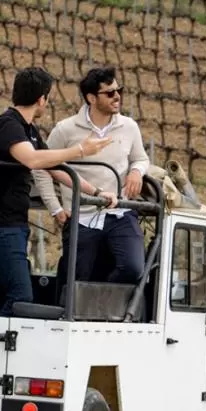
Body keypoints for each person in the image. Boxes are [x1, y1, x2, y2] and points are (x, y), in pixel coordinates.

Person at [0, 67, 112, 317]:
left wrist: (99, 193)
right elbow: (32, 160)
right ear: (42, 98)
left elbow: (55, 168)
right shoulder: (8, 124)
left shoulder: (28, 129)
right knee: (20, 295)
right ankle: (2, 347)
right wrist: (80, 150)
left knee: (5, 292)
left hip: (11, 223)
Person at [35, 66, 150, 295]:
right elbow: (41, 167)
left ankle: (100, 299)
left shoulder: (129, 127)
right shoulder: (65, 129)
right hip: (81, 215)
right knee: (76, 277)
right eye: (110, 93)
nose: (117, 96)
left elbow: (141, 158)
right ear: (91, 98)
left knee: (133, 268)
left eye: (119, 90)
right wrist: (55, 208)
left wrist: (136, 171)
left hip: (119, 212)